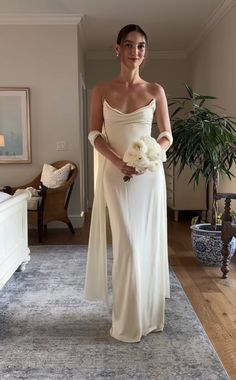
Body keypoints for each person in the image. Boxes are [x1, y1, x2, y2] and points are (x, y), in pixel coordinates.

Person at [84, 24, 173, 343]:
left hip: (148, 177)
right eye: (130, 45)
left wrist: (151, 153)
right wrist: (119, 160)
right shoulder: (101, 90)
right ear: (117, 49)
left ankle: (147, 316)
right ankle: (126, 322)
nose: (136, 52)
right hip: (115, 174)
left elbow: (166, 135)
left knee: (145, 244)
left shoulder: (155, 90)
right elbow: (94, 134)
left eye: (142, 47)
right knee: (127, 247)